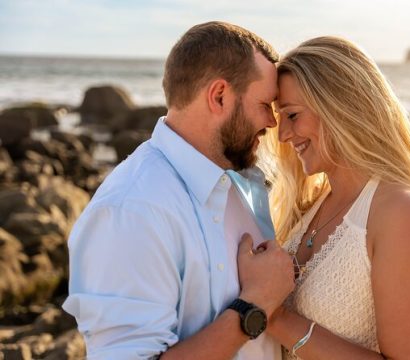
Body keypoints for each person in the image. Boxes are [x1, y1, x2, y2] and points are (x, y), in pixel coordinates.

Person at [62, 21, 295, 359]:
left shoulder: (242, 182)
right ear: (219, 96)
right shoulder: (131, 211)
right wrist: (255, 305)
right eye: (264, 105)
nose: (272, 123)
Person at [261, 36, 410, 359]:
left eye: (292, 116)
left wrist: (275, 318)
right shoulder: (312, 206)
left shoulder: (403, 213)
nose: (283, 135)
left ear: (338, 108)